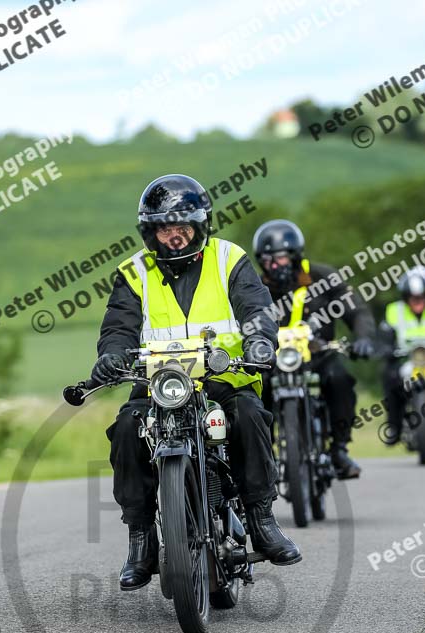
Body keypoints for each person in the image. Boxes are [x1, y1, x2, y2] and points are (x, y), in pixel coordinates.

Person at [91, 175, 302, 591]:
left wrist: (260, 341)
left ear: (200, 225)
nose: (174, 235)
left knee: (249, 415)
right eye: (164, 228)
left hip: (224, 376)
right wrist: (110, 356)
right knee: (127, 431)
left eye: (182, 226)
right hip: (160, 384)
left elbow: (256, 308)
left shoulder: (228, 258)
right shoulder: (133, 272)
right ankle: (141, 540)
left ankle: (262, 520)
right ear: (150, 231)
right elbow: (118, 326)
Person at [253, 219, 376, 479]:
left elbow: (356, 309)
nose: (274, 266)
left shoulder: (323, 276)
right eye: (267, 260)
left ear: (296, 256)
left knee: (340, 379)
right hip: (274, 359)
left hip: (320, 354)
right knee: (255, 389)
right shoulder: (255, 286)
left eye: (281, 258)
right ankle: (267, 456)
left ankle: (339, 449)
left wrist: (364, 337)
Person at [380, 266, 425, 444]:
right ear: (405, 296)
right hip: (407, 362)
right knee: (390, 377)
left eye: (421, 296)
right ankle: (394, 425)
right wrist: (383, 349)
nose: (417, 300)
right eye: (412, 297)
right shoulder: (394, 310)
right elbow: (384, 337)